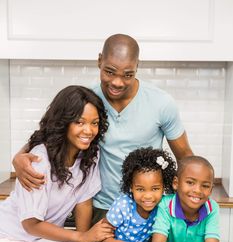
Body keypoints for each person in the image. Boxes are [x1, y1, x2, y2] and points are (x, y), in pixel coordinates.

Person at [12, 34, 193, 226]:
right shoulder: (88, 100)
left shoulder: (161, 103)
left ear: (137, 66)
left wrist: (191, 201)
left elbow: (185, 157)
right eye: (110, 72)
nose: (117, 82)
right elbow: (53, 132)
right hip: (97, 208)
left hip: (146, 209)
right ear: (99, 61)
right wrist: (18, 157)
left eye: (128, 74)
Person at [0, 86, 114, 242]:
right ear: (63, 122)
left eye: (94, 123)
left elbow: (84, 202)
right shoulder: (39, 160)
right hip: (9, 238)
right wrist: (82, 237)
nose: (89, 130)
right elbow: (30, 224)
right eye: (79, 122)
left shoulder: (91, 154)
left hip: (41, 241)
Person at [83, 147, 176, 242]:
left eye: (155, 189)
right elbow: (101, 237)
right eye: (140, 189)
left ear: (163, 187)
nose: (148, 196)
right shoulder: (123, 205)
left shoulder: (163, 205)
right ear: (131, 187)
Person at [151, 156, 220, 242]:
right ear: (176, 183)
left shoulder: (212, 208)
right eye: (190, 182)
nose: (197, 190)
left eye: (205, 186)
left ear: (211, 190)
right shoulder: (165, 205)